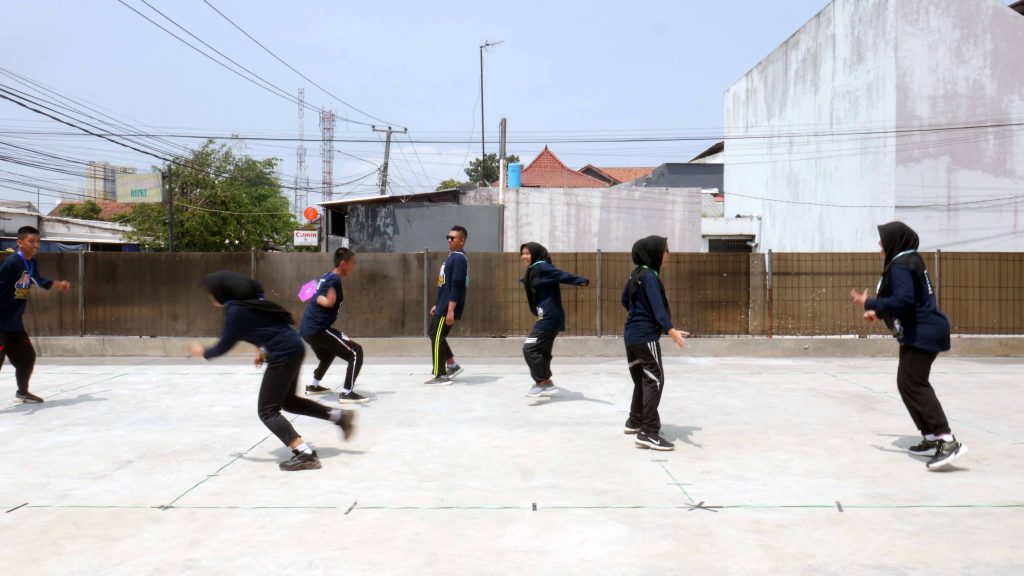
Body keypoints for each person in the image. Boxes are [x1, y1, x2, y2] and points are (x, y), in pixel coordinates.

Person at [192, 271, 355, 472]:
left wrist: (204, 352)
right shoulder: (252, 302)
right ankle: (338, 417)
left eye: (211, 294)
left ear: (221, 293)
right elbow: (266, 329)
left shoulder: (235, 311)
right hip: (293, 347)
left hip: (283, 354)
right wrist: (262, 348)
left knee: (267, 411)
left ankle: (305, 454)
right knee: (289, 402)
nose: (210, 298)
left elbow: (225, 344)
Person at [851, 221, 966, 470]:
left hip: (923, 332)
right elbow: (905, 301)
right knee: (906, 383)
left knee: (914, 383)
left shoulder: (902, 265)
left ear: (894, 241)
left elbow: (903, 301)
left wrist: (869, 301)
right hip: (919, 331)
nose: (880, 245)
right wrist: (877, 311)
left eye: (883, 240)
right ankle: (931, 436)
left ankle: (947, 440)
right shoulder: (909, 260)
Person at [622, 236, 688, 451]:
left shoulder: (636, 274)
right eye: (665, 250)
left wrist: (639, 314)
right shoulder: (650, 277)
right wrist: (670, 330)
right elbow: (658, 307)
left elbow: (625, 299)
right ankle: (648, 432)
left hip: (631, 336)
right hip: (645, 337)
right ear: (655, 253)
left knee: (644, 379)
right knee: (655, 379)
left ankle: (635, 420)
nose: (668, 254)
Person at [0, 226, 71, 403]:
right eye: (31, 241)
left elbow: (37, 279)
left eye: (38, 241)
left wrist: (57, 284)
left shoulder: (31, 263)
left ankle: (22, 392)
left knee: (27, 357)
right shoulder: (12, 263)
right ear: (20, 242)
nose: (36, 245)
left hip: (14, 324)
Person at [519, 242, 589, 398]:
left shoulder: (542, 267)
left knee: (529, 348)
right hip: (549, 316)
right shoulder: (535, 269)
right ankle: (547, 382)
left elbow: (561, 275)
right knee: (543, 351)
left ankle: (540, 382)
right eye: (522, 253)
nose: (524, 256)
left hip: (549, 318)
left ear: (536, 254)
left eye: (527, 253)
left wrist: (581, 280)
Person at [299, 247, 368, 404]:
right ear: (343, 263)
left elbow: (303, 292)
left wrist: (318, 298)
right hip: (318, 329)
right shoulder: (334, 279)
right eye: (353, 263)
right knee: (356, 352)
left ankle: (313, 385)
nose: (353, 266)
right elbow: (318, 298)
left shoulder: (324, 276)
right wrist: (325, 301)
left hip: (306, 329)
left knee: (327, 354)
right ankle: (347, 392)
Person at [425, 225, 469, 385]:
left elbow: (457, 285)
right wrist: (438, 304)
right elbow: (446, 285)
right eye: (448, 237)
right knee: (433, 333)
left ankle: (440, 375)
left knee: (437, 338)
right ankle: (452, 365)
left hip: (448, 307)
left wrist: (450, 309)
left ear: (462, 241)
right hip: (443, 304)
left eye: (453, 238)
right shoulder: (452, 256)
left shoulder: (458, 258)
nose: (449, 240)